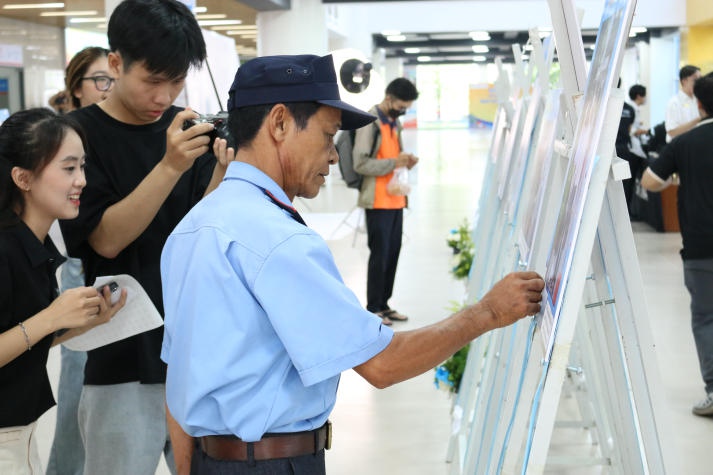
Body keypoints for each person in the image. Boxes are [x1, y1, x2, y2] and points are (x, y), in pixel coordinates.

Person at [160, 53, 545, 475]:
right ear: (280, 122)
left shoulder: (191, 228)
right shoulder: (280, 240)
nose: (332, 157)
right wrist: (488, 312)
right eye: (327, 137)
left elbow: (178, 381)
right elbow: (383, 364)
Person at [58, 1, 233, 473]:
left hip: (193, 353)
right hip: (120, 356)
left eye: (175, 81)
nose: (164, 94)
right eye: (152, 80)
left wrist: (220, 172)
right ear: (116, 64)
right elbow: (105, 241)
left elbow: (198, 234)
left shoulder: (186, 129)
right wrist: (170, 165)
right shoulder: (75, 138)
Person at [0, 108, 125, 475]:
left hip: (20, 437)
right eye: (68, 168)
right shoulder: (5, 249)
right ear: (23, 178)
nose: (82, 180)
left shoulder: (32, 246)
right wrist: (52, 317)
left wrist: (79, 324)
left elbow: (19, 340)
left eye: (83, 167)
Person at [46, 45, 113, 475]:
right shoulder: (59, 138)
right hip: (70, 260)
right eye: (100, 80)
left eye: (114, 78)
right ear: (77, 87)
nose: (109, 88)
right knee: (77, 371)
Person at [641, 72, 713, 417]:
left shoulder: (685, 144)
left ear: (698, 104)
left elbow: (650, 182)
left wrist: (679, 173)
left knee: (706, 318)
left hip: (701, 246)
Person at [353, 77, 419, 325]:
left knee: (392, 253)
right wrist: (394, 163)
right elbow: (360, 163)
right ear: (389, 98)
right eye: (402, 105)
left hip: (396, 199)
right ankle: (373, 308)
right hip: (377, 201)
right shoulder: (370, 122)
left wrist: (405, 161)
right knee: (379, 254)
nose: (403, 110)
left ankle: (385, 304)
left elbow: (394, 157)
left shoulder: (394, 123)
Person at [665, 65, 701, 142]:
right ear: (684, 81)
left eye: (700, 79)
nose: (699, 83)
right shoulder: (674, 102)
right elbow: (671, 132)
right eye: (695, 79)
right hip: (679, 147)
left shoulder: (698, 100)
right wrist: (697, 120)